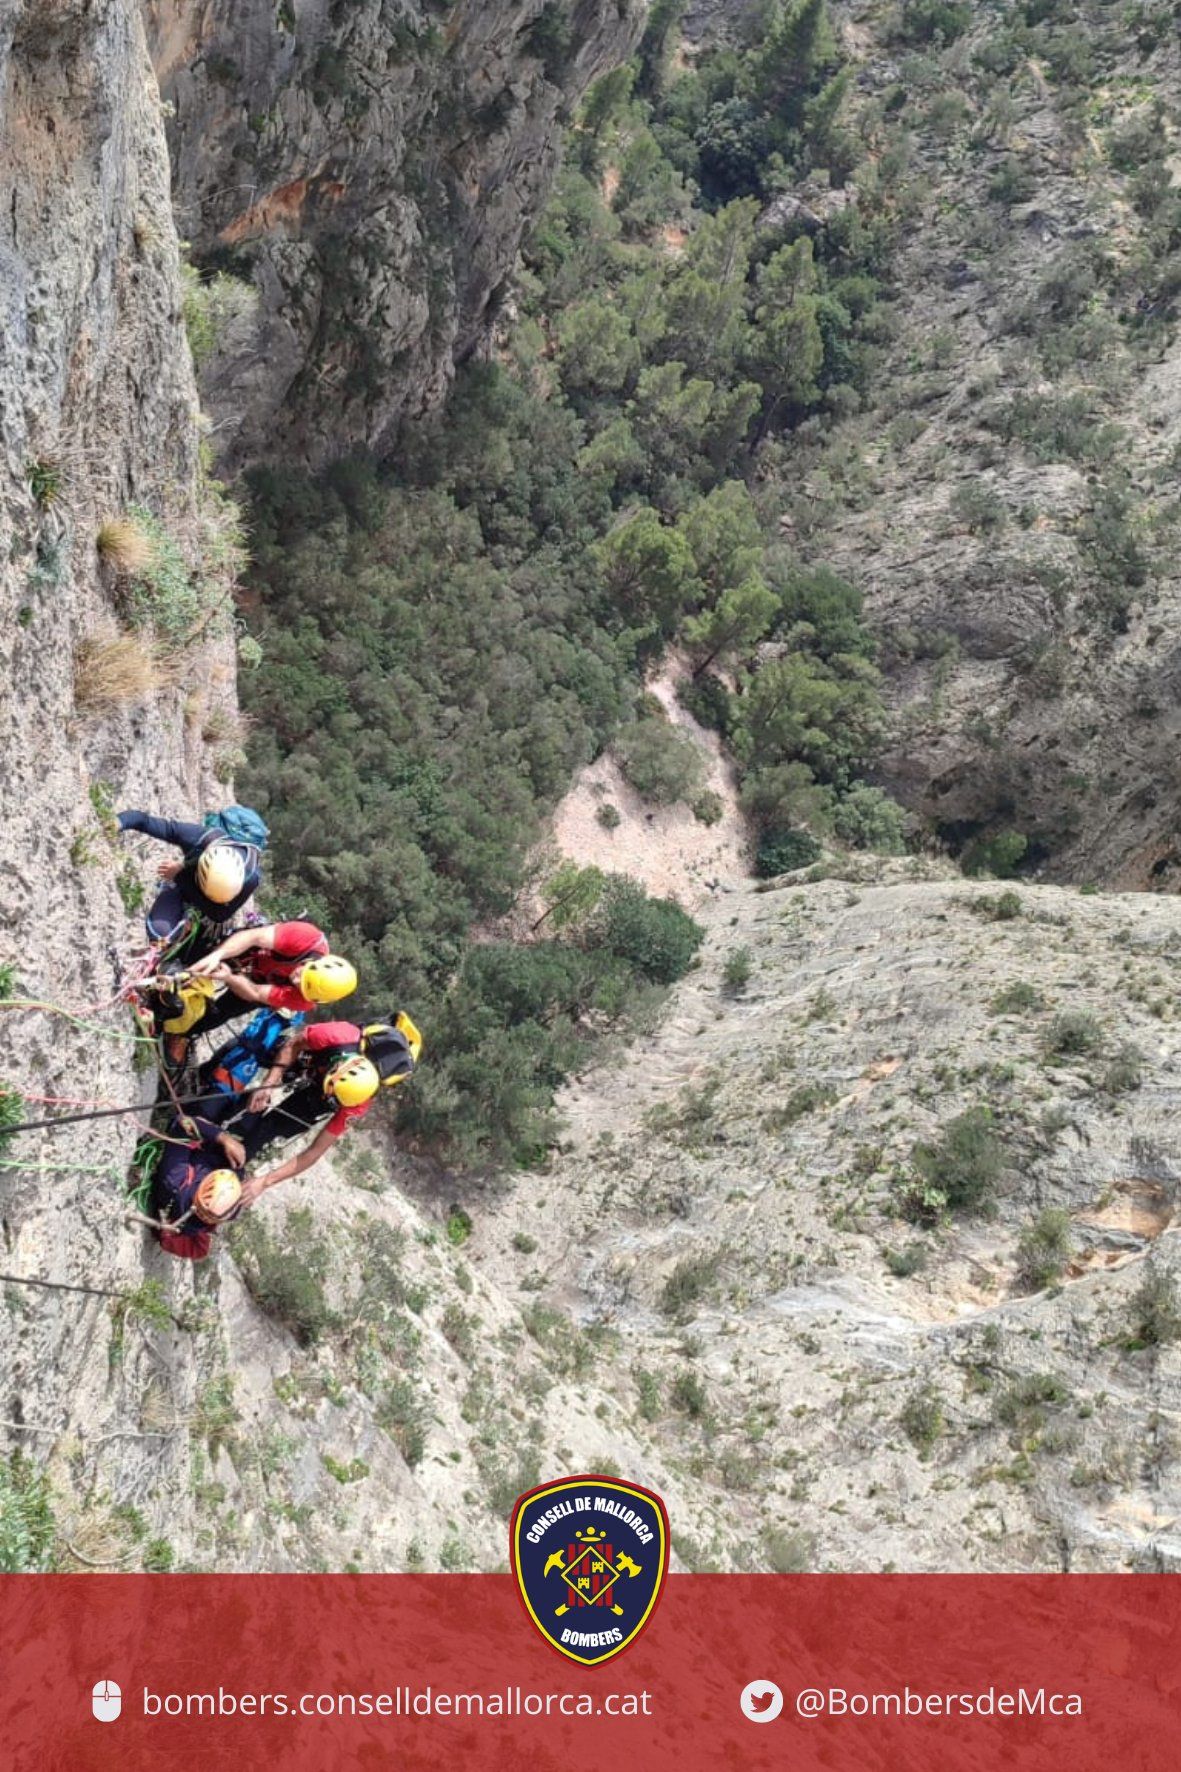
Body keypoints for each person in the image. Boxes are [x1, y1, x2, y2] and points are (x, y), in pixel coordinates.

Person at [231, 1016, 420, 1209]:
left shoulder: (357, 1103)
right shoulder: (338, 1036)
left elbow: (315, 1151)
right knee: (255, 1053)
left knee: (268, 1130)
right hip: (314, 1058)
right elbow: (293, 1044)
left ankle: (235, 1152)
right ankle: (218, 1091)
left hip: (320, 1093)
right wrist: (268, 1083)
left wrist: (264, 1182)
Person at [159, 920, 357, 1066]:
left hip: (261, 982)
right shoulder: (306, 938)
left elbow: (255, 993)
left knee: (222, 1012)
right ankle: (175, 971)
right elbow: (252, 937)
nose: (295, 980)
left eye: (301, 985)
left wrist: (228, 978)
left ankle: (185, 1034)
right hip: (251, 951)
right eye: (302, 974)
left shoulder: (305, 1000)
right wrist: (218, 956)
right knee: (205, 955)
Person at [116, 805, 265, 949]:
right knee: (160, 932)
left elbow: (220, 914)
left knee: (197, 951)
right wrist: (116, 823)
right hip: (186, 883)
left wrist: (179, 875)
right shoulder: (197, 838)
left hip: (209, 909)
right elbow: (143, 821)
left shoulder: (251, 877)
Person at [148, 1114, 246, 1261]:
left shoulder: (175, 1180)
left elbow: (182, 1123)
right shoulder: (220, 1213)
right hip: (215, 1155)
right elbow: (201, 1250)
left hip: (205, 1152)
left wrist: (221, 1137)